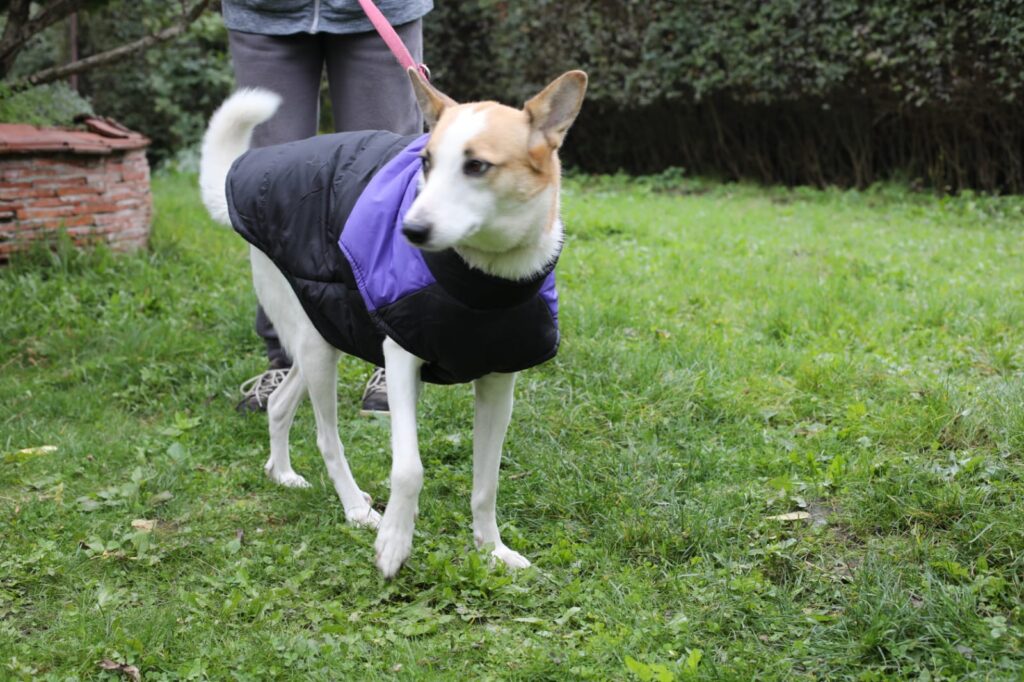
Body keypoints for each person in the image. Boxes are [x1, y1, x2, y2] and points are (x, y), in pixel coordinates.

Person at [222, 0, 432, 415]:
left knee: (386, 178)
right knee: (272, 187)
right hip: (265, 13)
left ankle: (395, 349)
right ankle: (285, 357)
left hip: (381, 10)